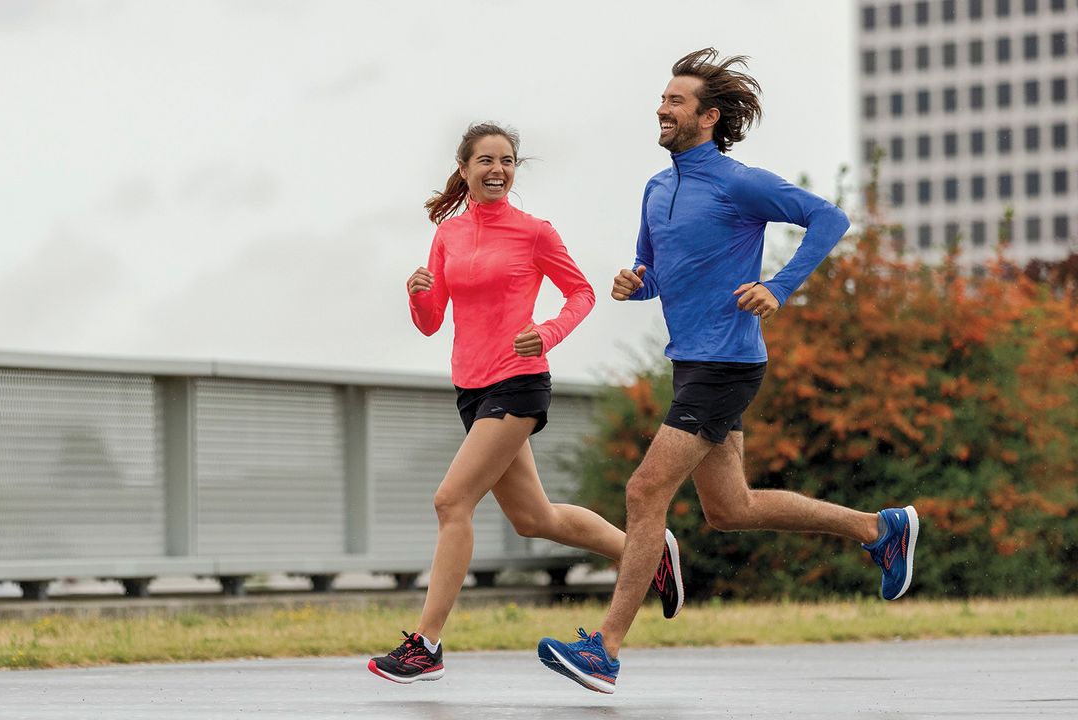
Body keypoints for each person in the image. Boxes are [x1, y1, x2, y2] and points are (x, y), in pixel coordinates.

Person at [537, 49, 920, 695]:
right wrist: (637, 282)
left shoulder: (738, 182)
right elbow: (660, 269)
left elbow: (830, 218)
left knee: (643, 491)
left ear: (709, 116)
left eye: (676, 101)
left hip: (727, 362)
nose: (661, 108)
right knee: (730, 509)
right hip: (692, 362)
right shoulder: (657, 188)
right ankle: (878, 529)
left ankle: (604, 648)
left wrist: (780, 286)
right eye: (662, 99)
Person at [367, 122, 686, 685]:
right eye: (486, 160)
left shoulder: (534, 231)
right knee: (534, 519)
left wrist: (548, 332)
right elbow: (431, 322)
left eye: (508, 160)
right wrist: (418, 295)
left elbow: (581, 293)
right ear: (464, 169)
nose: (498, 169)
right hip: (470, 387)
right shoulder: (449, 235)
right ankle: (648, 550)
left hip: (518, 382)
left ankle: (428, 645)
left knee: (450, 501)